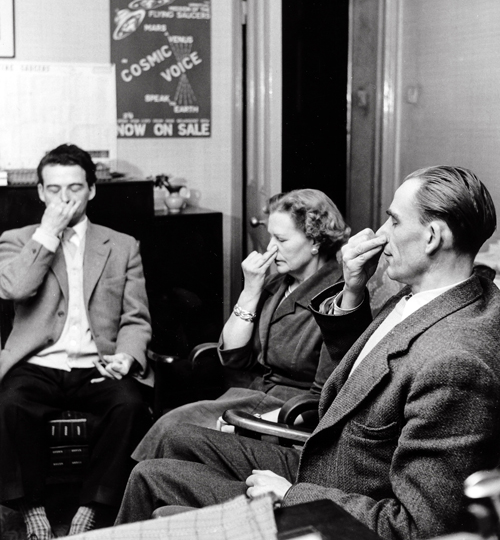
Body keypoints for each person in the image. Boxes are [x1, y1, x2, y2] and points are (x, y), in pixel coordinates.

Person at [115, 166, 500, 540]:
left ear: (432, 236)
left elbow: (418, 529)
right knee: (158, 461)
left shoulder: (457, 363)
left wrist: (291, 496)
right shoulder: (426, 297)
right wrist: (353, 288)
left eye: (394, 221)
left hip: (334, 499)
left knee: (160, 494)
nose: (379, 234)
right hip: (328, 465)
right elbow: (364, 376)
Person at [0, 144, 153, 539]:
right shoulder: (17, 240)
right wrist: (48, 232)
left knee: (131, 405)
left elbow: (136, 317)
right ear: (39, 192)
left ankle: (92, 507)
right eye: (53, 189)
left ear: (92, 190)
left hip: (97, 365)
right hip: (38, 364)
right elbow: (15, 288)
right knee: (9, 404)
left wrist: (126, 355)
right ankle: (31, 508)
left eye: (74, 188)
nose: (64, 198)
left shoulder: (122, 245)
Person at [133, 188, 353, 461]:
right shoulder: (275, 284)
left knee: (175, 435)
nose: (270, 248)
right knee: (168, 427)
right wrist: (250, 291)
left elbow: (325, 399)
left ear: (316, 241)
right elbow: (232, 357)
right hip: (248, 395)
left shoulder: (339, 301)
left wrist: (252, 423)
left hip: (287, 415)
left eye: (281, 239)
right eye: (270, 236)